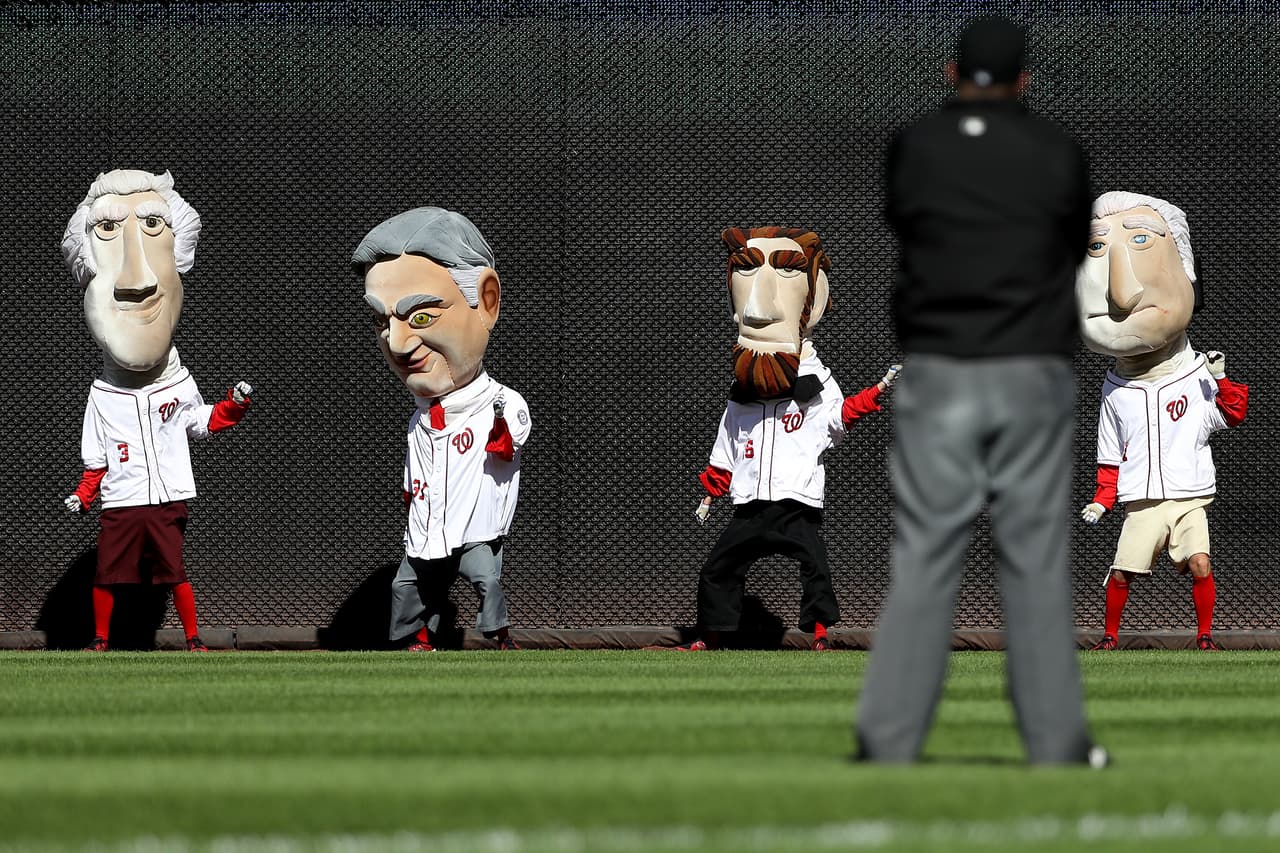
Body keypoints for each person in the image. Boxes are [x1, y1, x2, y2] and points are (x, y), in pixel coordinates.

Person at [854, 17, 1105, 765]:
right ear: (1024, 78)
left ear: (950, 69)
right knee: (1033, 557)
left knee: (926, 553)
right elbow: (1067, 243)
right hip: (1031, 368)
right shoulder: (1057, 151)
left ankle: (889, 738)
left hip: (937, 367)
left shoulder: (916, 146)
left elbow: (905, 224)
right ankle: (1057, 742)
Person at [676, 226, 900, 651]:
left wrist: (874, 394)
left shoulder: (815, 381)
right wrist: (710, 495)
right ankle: (710, 635)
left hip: (796, 503)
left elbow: (837, 418)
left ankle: (818, 633)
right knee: (718, 568)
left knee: (815, 566)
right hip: (751, 505)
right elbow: (726, 444)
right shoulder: (743, 392)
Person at [61, 169, 254, 652]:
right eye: (107, 231)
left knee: (173, 571)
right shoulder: (102, 394)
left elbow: (201, 422)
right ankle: (101, 639)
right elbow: (96, 458)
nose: (137, 277)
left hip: (167, 496)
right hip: (123, 499)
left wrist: (233, 405)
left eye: (152, 228)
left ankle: (192, 638)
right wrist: (85, 496)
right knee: (109, 573)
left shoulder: (179, 381)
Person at [1076, 191, 1248, 651]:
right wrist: (1102, 498)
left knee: (1200, 564)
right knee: (1122, 571)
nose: (1120, 290)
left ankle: (1206, 637)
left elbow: (1230, 415)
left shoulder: (1197, 373)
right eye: (1096, 247)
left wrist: (1223, 379)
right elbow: (1111, 452)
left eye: (1140, 239)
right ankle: (1110, 638)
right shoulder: (1116, 389)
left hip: (1189, 493)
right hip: (1143, 499)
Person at [353, 206, 530, 652]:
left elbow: (507, 445)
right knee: (407, 583)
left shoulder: (500, 402)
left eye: (421, 317)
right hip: (430, 524)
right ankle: (416, 638)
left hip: (474, 522)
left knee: (484, 578)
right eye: (381, 321)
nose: (396, 342)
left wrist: (500, 437)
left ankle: (501, 635)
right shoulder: (419, 417)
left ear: (487, 301)